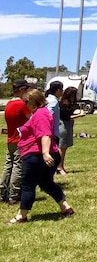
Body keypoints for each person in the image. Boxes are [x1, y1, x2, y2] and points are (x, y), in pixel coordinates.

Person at [7, 88, 74, 224]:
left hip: (37, 156)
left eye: (26, 103)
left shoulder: (41, 114)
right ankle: (65, 207)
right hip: (40, 154)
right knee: (46, 183)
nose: (26, 106)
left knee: (28, 185)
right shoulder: (41, 113)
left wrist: (45, 153)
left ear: (32, 103)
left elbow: (45, 135)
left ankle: (21, 215)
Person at [1, 79, 31, 206]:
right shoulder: (22, 104)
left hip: (11, 139)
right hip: (21, 139)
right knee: (17, 167)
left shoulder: (8, 104)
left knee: (8, 166)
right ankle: (14, 195)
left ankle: (2, 192)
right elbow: (32, 119)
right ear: (22, 90)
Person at [57, 87, 80, 175]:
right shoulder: (63, 104)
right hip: (63, 126)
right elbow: (66, 117)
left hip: (68, 126)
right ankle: (59, 167)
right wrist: (79, 115)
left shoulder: (70, 103)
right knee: (61, 147)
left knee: (64, 147)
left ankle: (61, 165)